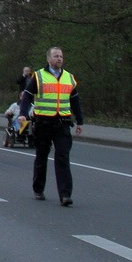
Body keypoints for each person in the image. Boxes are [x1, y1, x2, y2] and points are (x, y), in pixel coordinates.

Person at [17, 47, 84, 206]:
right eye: (56, 56)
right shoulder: (39, 76)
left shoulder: (69, 77)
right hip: (43, 123)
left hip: (62, 124)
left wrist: (80, 121)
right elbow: (27, 96)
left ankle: (65, 195)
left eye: (61, 56)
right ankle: (38, 189)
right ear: (49, 59)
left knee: (62, 157)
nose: (59, 58)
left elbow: (75, 100)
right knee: (41, 157)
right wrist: (23, 114)